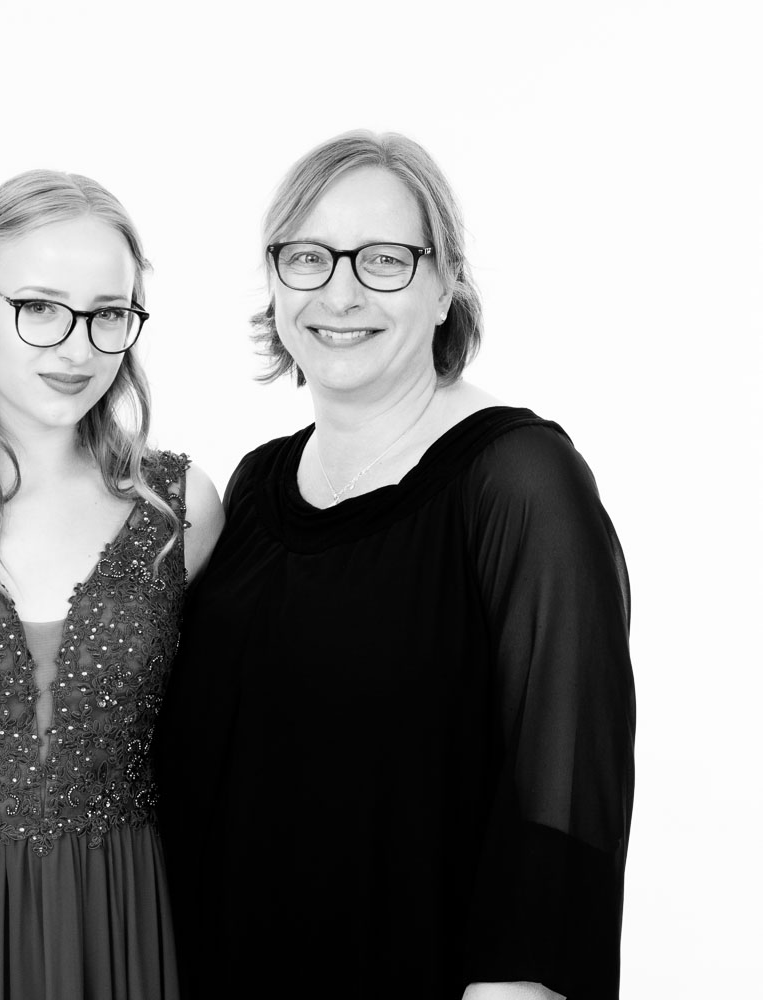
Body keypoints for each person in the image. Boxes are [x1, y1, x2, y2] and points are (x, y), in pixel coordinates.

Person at [158, 131, 636, 1000]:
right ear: (275, 281)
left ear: (446, 283)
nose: (339, 293)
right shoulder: (257, 486)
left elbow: (563, 807)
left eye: (383, 259)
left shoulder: (520, 481)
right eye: (308, 257)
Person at [0, 169, 223, 999]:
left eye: (108, 313)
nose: (78, 348)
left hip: (120, 924)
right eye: (40, 308)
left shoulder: (181, 508)